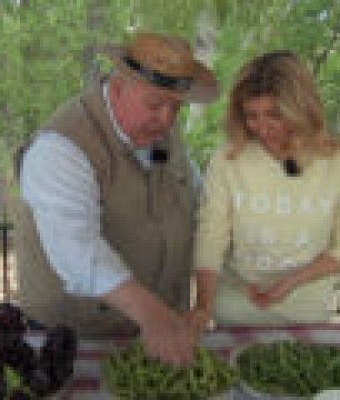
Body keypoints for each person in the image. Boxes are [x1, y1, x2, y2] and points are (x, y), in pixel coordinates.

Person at [13, 32, 219, 366]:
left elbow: (195, 200)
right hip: (76, 341)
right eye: (155, 104)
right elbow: (78, 253)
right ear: (119, 87)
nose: (167, 120)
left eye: (176, 107)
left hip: (156, 332)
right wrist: (153, 314)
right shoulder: (63, 147)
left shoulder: (162, 131)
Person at [190, 51, 340, 328]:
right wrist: (202, 309)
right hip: (236, 306)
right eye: (252, 116)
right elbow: (211, 236)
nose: (262, 128)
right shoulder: (227, 160)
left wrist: (292, 282)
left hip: (307, 309)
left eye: (274, 115)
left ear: (301, 108)